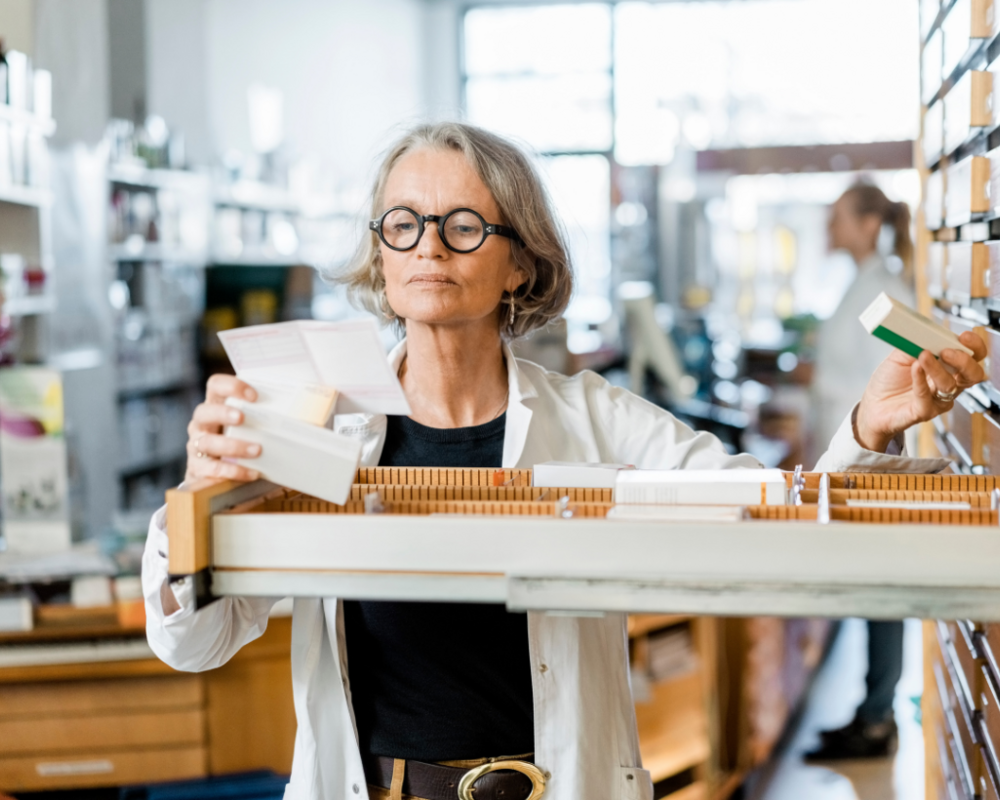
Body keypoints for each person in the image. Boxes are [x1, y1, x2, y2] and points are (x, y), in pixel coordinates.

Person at [142, 124, 984, 800]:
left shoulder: (597, 420)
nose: (429, 246)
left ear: (519, 263)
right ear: (382, 255)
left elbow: (771, 515)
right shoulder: (320, 420)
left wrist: (867, 429)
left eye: (463, 225)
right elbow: (197, 641)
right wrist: (201, 496)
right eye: (404, 224)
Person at [806, 182, 918, 762]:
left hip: (876, 464)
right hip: (851, 459)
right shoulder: (861, 284)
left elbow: (900, 383)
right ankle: (873, 711)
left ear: (870, 223)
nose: (830, 228)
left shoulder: (885, 291)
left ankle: (877, 718)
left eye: (838, 218)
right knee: (871, 586)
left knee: (882, 588)